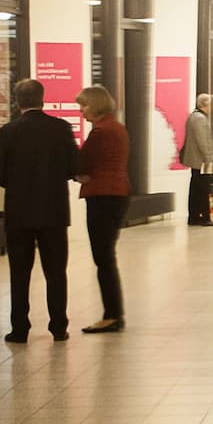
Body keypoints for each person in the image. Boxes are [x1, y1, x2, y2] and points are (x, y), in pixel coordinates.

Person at [0, 79, 80, 343]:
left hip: (19, 212)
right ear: (43, 98)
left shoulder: (8, 131)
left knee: (19, 273)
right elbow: (73, 166)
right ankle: (58, 326)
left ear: (17, 101)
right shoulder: (61, 128)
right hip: (53, 210)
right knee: (56, 272)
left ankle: (20, 327)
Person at [76, 86, 130, 334]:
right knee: (106, 256)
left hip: (103, 195)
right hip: (116, 193)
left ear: (95, 105)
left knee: (103, 258)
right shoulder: (116, 127)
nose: (82, 111)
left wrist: (79, 174)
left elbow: (83, 162)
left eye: (84, 106)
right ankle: (113, 313)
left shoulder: (101, 132)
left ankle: (112, 315)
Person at [182, 93, 213, 226]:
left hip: (195, 161)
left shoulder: (193, 117)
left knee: (196, 189)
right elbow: (203, 142)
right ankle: (205, 217)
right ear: (204, 105)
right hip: (202, 161)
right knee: (203, 189)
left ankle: (194, 216)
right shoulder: (200, 119)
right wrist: (209, 159)